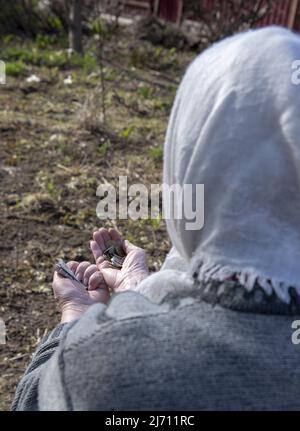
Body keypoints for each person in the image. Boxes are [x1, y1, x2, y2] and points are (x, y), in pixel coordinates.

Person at [12, 26, 300, 411]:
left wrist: (78, 317)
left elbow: (35, 401)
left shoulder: (108, 365)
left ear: (190, 157)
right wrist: (136, 290)